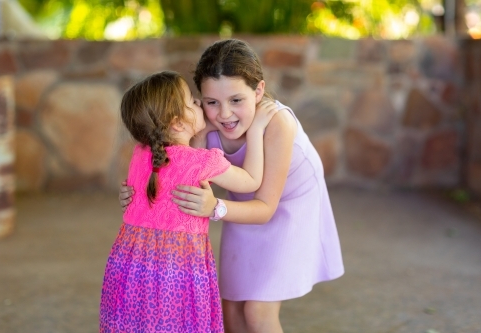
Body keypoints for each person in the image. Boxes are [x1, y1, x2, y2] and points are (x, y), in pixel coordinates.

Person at [119, 39, 344, 333]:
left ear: (259, 91)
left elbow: (264, 209)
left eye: (236, 100)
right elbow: (178, 167)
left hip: (288, 208)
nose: (224, 114)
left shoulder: (276, 123)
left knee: (258, 311)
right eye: (212, 102)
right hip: (238, 206)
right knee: (231, 308)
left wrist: (216, 207)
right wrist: (137, 191)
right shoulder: (200, 123)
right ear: (200, 99)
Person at [101, 70, 278, 333]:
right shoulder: (202, 162)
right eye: (193, 103)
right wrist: (258, 128)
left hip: (130, 268)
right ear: (177, 123)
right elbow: (251, 179)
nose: (200, 104)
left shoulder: (140, 153)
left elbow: (139, 195)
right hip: (176, 271)